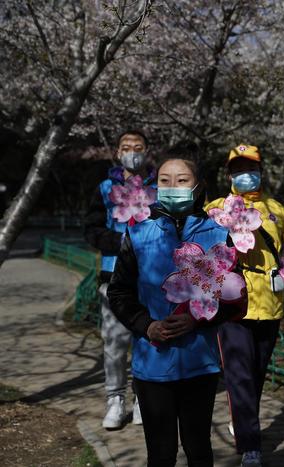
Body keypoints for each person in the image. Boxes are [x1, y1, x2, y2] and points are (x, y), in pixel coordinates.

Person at [108, 157, 244, 467]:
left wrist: (197, 318)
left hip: (201, 364)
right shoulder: (138, 234)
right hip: (151, 365)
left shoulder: (219, 236)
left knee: (198, 448)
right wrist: (147, 326)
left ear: (198, 187)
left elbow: (236, 298)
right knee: (161, 452)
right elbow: (119, 292)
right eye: (165, 181)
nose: (173, 187)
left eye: (182, 180)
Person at [204, 144, 284, 467]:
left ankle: (244, 418)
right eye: (238, 168)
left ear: (261, 170)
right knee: (239, 374)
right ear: (229, 173)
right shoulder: (215, 208)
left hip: (271, 302)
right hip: (233, 301)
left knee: (257, 372)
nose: (245, 173)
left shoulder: (277, 210)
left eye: (251, 166)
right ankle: (251, 444)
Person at [84, 129, 154, 429]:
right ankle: (115, 399)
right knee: (114, 341)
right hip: (114, 275)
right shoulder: (104, 188)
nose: (132, 152)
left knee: (146, 339)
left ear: (147, 151)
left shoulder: (158, 186)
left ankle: (142, 400)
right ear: (117, 152)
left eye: (138, 147)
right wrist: (121, 240)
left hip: (150, 275)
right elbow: (92, 229)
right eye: (126, 147)